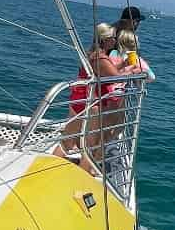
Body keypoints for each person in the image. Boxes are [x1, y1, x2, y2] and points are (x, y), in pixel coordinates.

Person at [52, 24, 133, 177]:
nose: (115, 41)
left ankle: (51, 165)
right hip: (92, 102)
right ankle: (82, 175)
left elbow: (105, 73)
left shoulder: (92, 53)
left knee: (68, 140)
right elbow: (115, 77)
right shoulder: (101, 57)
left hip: (79, 98)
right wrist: (131, 70)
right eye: (113, 38)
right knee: (92, 144)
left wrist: (123, 64)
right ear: (106, 40)